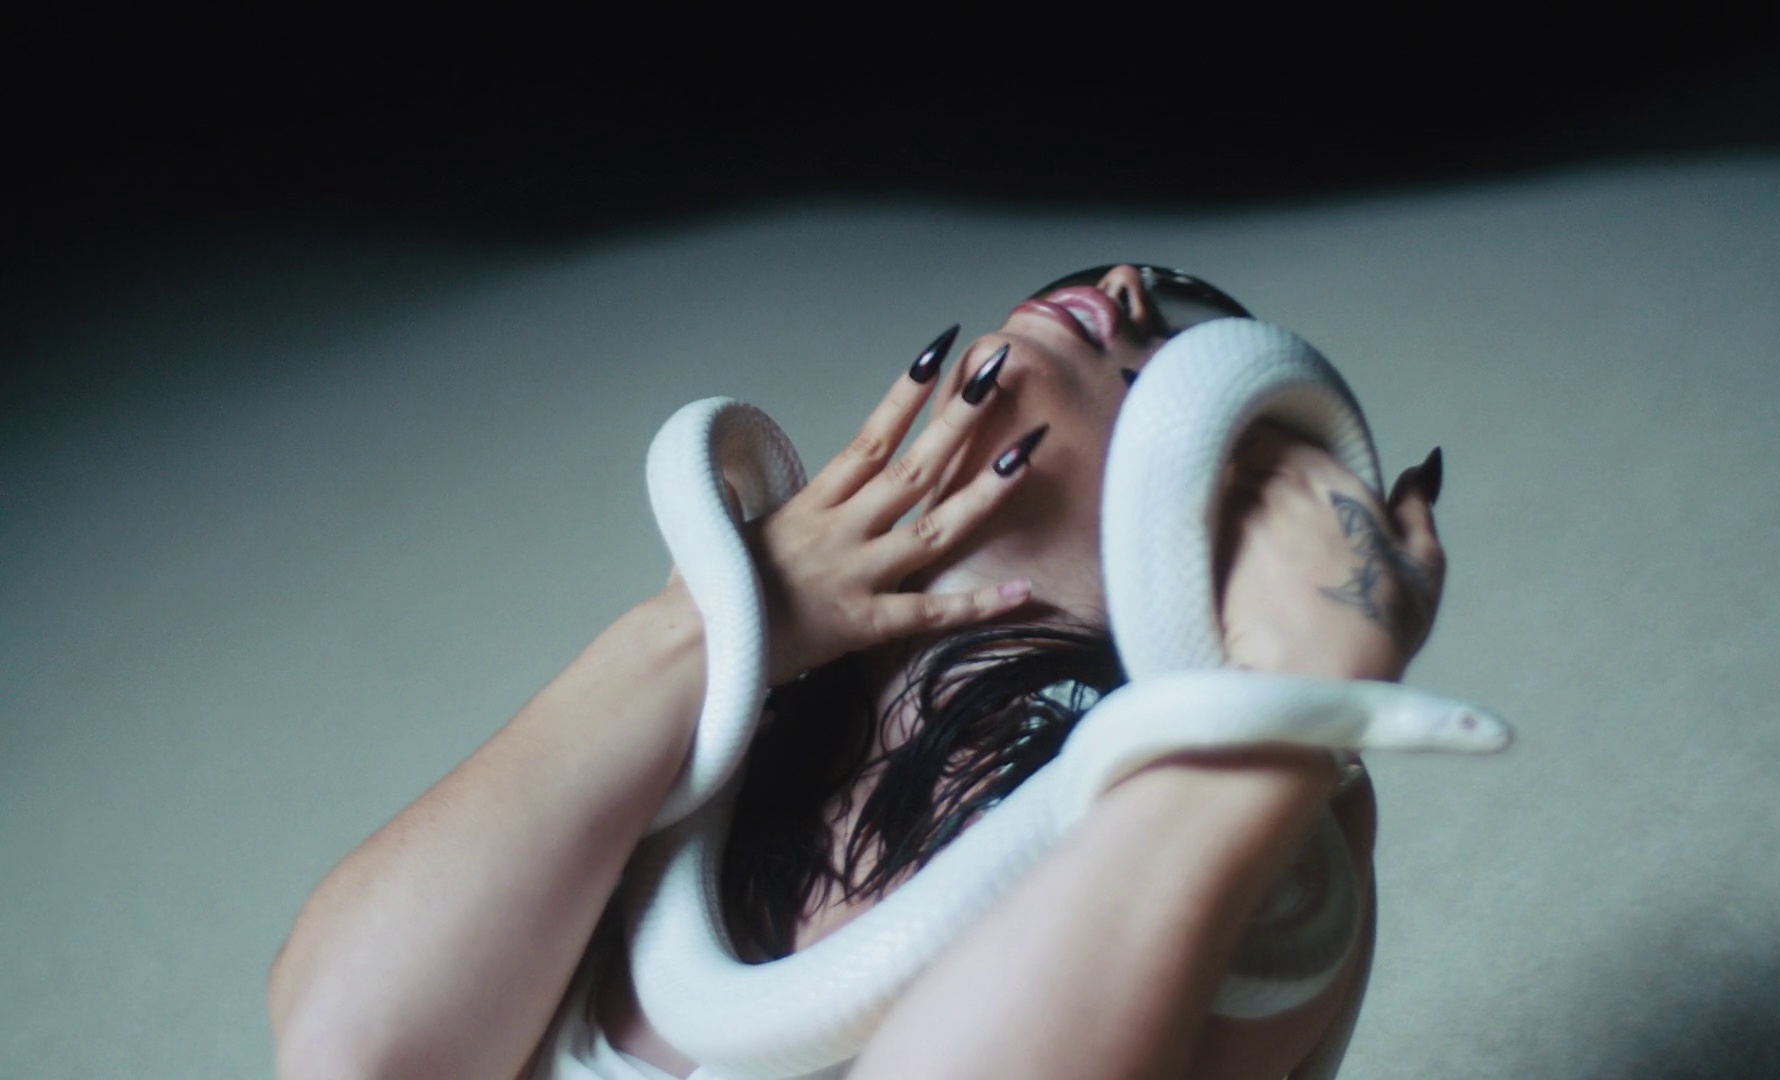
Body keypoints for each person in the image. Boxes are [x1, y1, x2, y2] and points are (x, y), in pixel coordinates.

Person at [267, 265, 1447, 1080]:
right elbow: (353, 1049)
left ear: (1243, 512)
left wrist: (1284, 701)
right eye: (1120, 279)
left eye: (1179, 345)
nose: (1129, 287)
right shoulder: (725, 716)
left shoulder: (1284, 848)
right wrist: (717, 620)